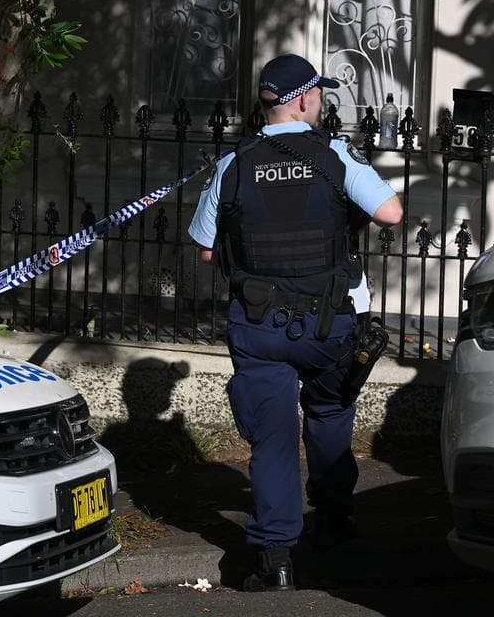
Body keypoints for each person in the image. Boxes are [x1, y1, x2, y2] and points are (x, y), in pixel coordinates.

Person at [187, 54, 402, 592]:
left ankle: (275, 560)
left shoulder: (234, 164)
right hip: (328, 323)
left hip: (259, 324)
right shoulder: (334, 156)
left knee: (273, 439)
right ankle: (333, 521)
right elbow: (392, 213)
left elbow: (207, 252)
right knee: (329, 412)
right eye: (319, 95)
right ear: (305, 100)